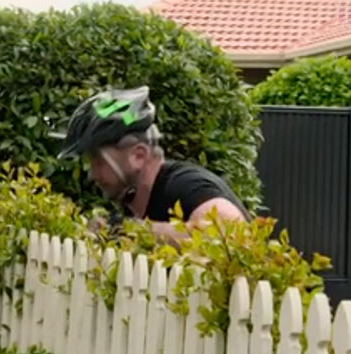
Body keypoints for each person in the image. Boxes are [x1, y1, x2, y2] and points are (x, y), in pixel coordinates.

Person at [56, 85, 249, 242]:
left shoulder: (183, 185)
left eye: (99, 161)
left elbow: (229, 232)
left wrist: (128, 230)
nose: (93, 174)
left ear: (138, 156)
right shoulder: (135, 203)